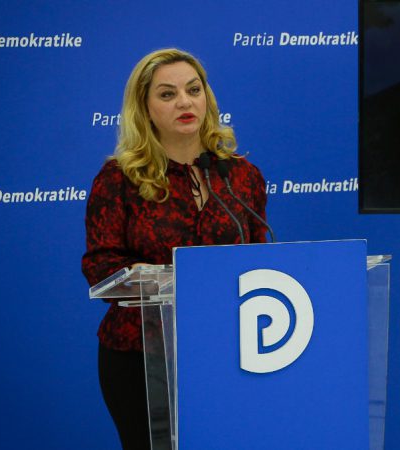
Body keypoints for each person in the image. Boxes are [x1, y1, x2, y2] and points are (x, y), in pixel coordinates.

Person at [81, 48, 268, 450]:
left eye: (193, 90)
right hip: (142, 356)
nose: (185, 102)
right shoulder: (119, 179)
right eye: (167, 94)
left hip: (228, 351)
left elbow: (260, 260)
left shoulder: (241, 176)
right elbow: (100, 266)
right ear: (145, 109)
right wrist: (158, 277)